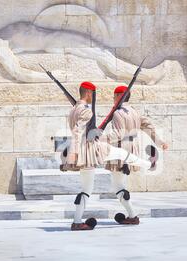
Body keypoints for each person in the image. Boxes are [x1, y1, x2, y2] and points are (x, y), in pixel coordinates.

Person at [62, 82, 157, 231]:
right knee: (119, 157)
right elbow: (78, 131)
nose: (93, 98)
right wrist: (77, 150)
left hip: (84, 149)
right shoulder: (86, 110)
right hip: (89, 149)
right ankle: (149, 164)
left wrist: (77, 149)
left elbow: (78, 130)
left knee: (88, 187)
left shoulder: (74, 110)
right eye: (93, 95)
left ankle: (77, 221)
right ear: (88, 93)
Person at [104, 86, 169, 225]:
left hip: (121, 150)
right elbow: (148, 126)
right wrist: (159, 142)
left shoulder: (118, 113)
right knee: (121, 184)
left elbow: (118, 134)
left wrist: (100, 138)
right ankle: (131, 215)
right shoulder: (134, 111)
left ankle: (132, 216)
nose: (112, 99)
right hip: (133, 149)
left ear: (118, 96)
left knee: (118, 186)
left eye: (114, 96)